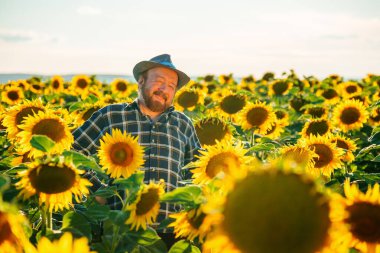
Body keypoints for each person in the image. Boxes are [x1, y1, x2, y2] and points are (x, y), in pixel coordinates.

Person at [72, 54, 201, 249]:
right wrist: (99, 190)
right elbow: (72, 152)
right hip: (119, 229)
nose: (164, 89)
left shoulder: (183, 124)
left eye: (171, 86)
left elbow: (197, 169)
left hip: (170, 233)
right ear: (141, 81)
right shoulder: (112, 115)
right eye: (159, 81)